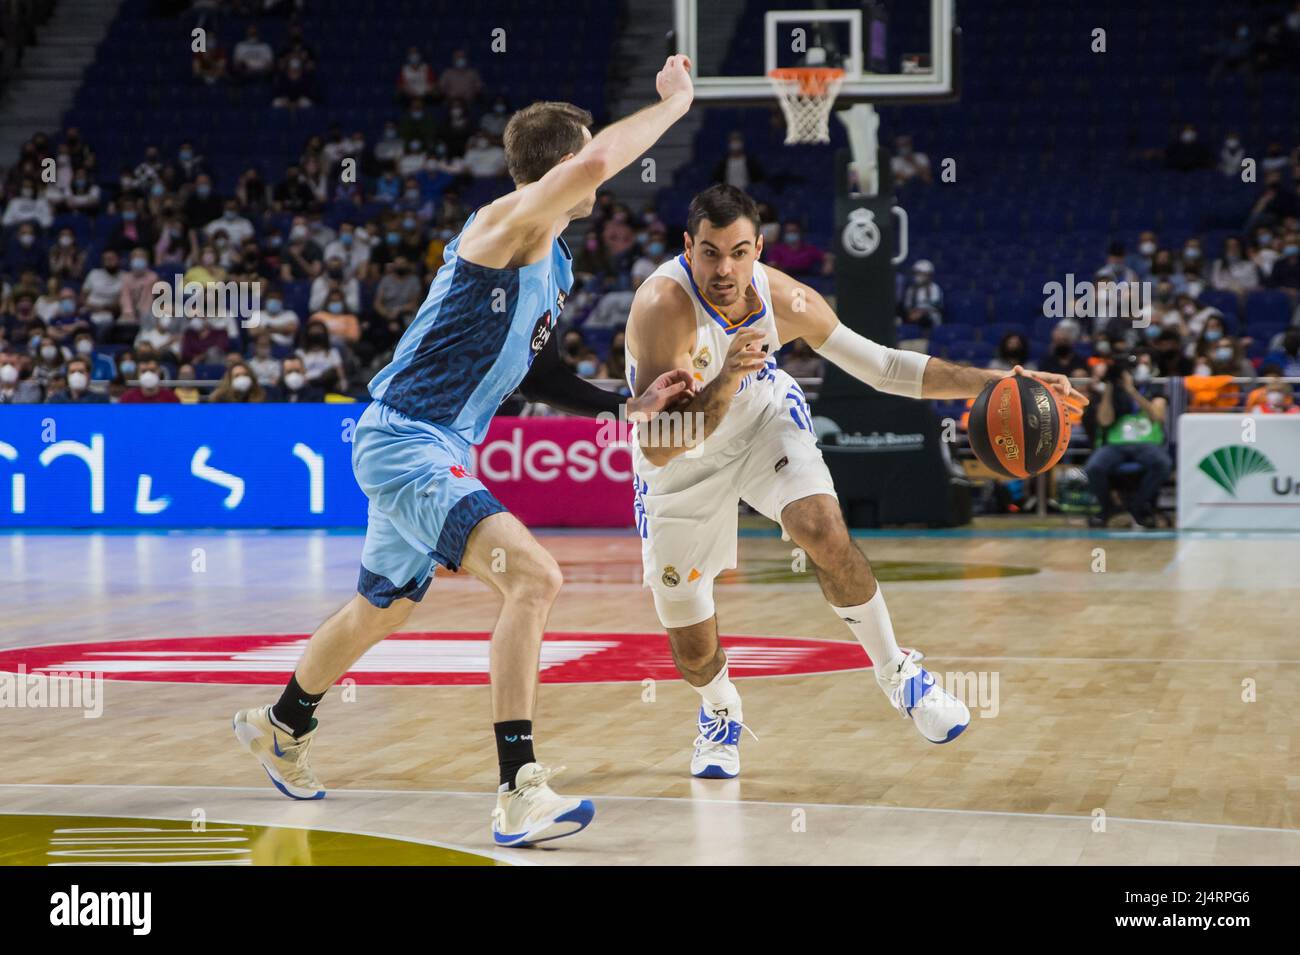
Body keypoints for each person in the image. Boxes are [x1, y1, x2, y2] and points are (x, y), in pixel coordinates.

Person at [231, 58, 701, 848]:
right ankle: (520, 788)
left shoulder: (552, 262)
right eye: (587, 160)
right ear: (559, 168)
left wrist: (625, 405)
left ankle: (281, 722)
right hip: (405, 437)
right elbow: (591, 160)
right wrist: (677, 103)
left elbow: (538, 369)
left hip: (436, 445)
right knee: (535, 576)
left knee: (384, 607)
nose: (602, 176)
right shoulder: (502, 224)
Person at [623, 184, 1086, 778]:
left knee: (820, 526)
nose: (725, 268)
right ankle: (719, 709)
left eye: (739, 252)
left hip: (761, 419)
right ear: (688, 248)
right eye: (710, 252)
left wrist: (1004, 383)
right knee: (690, 640)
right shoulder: (663, 304)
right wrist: (726, 380)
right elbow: (661, 446)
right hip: (681, 457)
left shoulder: (785, 298)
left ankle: (900, 674)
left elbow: (886, 367)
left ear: (760, 249)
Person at [1084, 358, 1170, 528]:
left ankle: (1138, 506)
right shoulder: (1113, 392)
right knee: (1094, 467)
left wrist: (1131, 390)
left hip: (1146, 442)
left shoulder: (1155, 389)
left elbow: (1157, 417)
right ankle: (1107, 508)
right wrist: (1109, 388)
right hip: (1116, 444)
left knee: (1163, 464)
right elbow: (1104, 421)